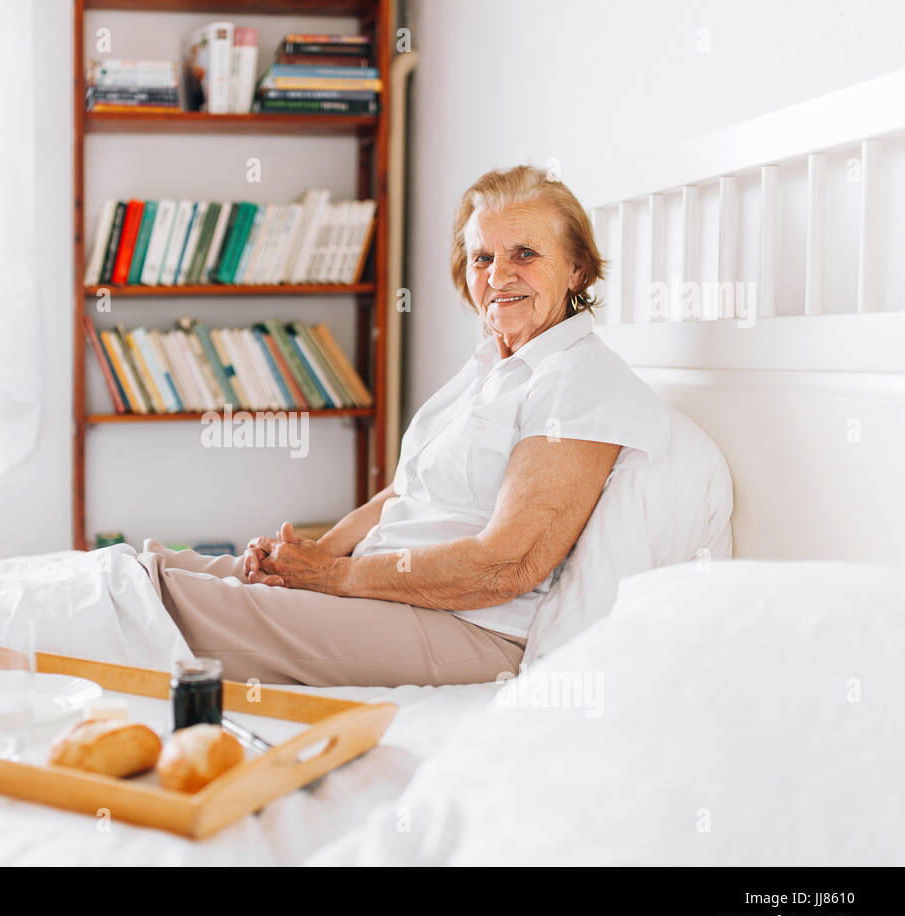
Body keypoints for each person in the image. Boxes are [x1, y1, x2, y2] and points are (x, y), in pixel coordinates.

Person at [137, 165, 668, 687]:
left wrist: (334, 578)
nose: (498, 275)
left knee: (161, 600)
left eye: (524, 254)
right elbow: (402, 493)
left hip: (471, 626)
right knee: (145, 566)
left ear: (577, 270)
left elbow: (507, 565)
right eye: (482, 257)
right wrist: (316, 556)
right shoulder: (489, 367)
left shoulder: (582, 378)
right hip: (381, 587)